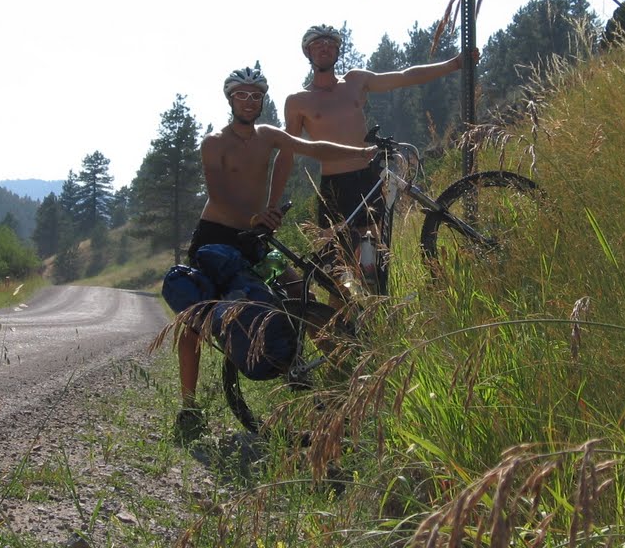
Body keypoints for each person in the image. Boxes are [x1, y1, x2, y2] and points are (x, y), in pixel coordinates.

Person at [171, 65, 375, 438]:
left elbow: (313, 147)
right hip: (216, 238)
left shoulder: (267, 135)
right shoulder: (214, 142)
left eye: (256, 96)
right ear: (230, 99)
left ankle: (341, 380)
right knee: (195, 322)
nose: (249, 102)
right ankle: (189, 407)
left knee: (301, 294)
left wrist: (361, 151)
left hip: (255, 235)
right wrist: (254, 217)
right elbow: (219, 195)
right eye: (241, 95)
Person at [268, 24, 477, 292]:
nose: (324, 48)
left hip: (365, 179)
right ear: (307, 52)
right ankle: (339, 328)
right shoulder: (298, 101)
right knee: (337, 273)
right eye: (317, 44)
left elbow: (404, 76)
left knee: (371, 264)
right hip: (333, 187)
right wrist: (272, 204)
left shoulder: (356, 81)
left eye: (330, 44)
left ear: (338, 51)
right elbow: (287, 153)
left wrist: (454, 64)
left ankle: (376, 317)